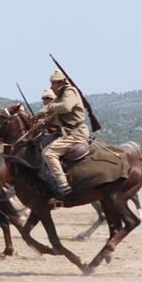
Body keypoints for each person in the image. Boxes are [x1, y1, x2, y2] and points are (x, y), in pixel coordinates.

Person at [33, 69, 89, 198]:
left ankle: (63, 185)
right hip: (67, 133)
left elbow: (66, 107)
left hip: (76, 133)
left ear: (60, 83)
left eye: (53, 84)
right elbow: (52, 115)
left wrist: (48, 108)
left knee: (48, 152)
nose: (51, 87)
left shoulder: (70, 91)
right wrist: (40, 121)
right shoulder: (60, 96)